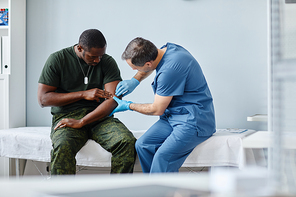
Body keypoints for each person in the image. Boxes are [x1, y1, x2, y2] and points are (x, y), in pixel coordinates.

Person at [37, 29, 136, 175]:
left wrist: (83, 121)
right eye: (92, 56)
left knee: (126, 141)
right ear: (79, 48)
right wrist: (83, 94)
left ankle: (118, 192)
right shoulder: (58, 59)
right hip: (68, 116)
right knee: (63, 145)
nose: (97, 60)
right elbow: (43, 99)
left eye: (100, 56)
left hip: (100, 117)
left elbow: (113, 100)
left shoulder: (107, 62)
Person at [112, 37, 216, 173]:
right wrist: (135, 80)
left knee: (163, 157)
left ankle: (161, 191)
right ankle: (159, 187)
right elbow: (151, 66)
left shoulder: (169, 71)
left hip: (193, 120)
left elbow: (157, 109)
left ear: (148, 64)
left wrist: (129, 105)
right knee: (143, 145)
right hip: (173, 115)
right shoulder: (165, 50)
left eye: (135, 68)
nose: (134, 70)